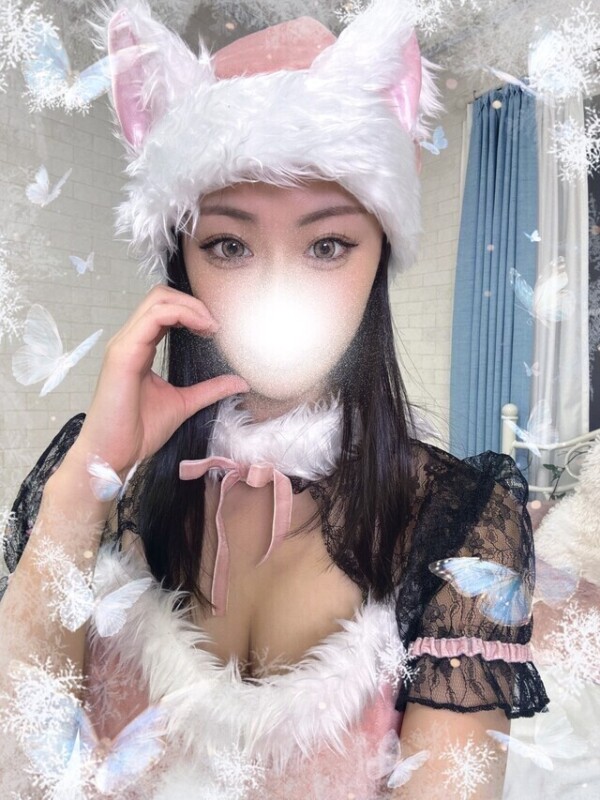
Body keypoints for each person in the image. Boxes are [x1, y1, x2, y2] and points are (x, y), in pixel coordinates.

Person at [0, 1, 549, 798]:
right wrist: (87, 482)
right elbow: (21, 761)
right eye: (229, 244)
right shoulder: (109, 478)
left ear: (379, 256)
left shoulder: (462, 524)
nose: (278, 292)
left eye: (327, 245)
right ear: (181, 261)